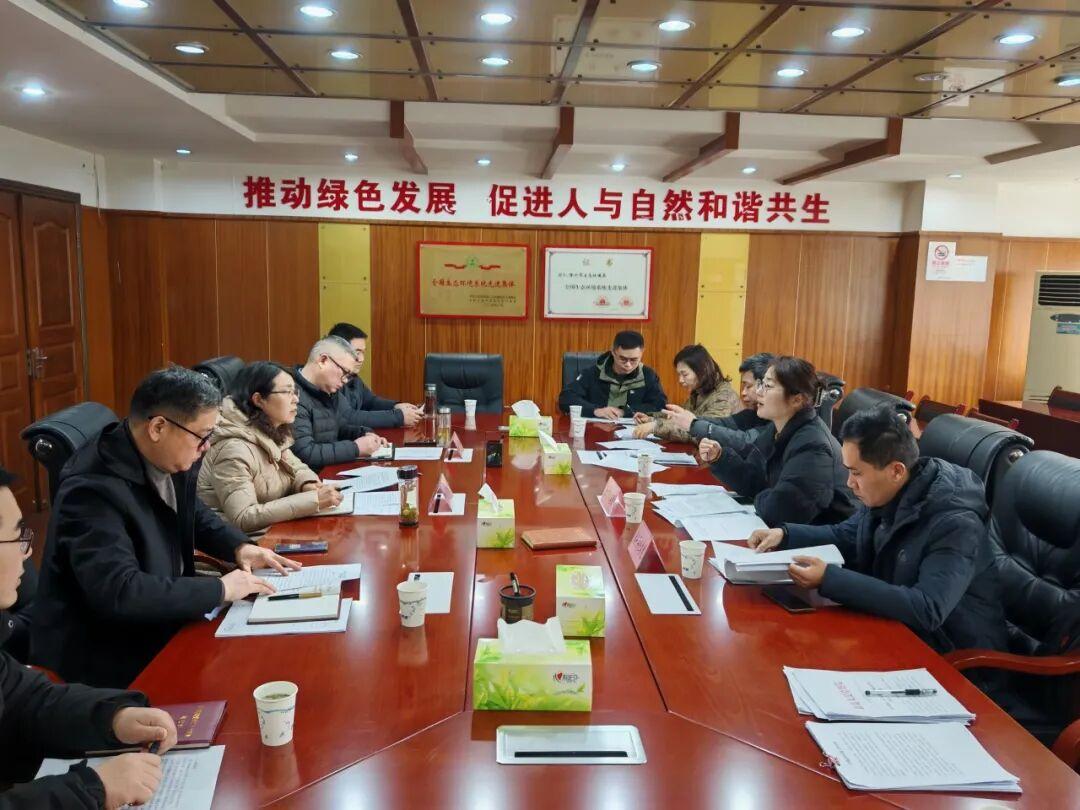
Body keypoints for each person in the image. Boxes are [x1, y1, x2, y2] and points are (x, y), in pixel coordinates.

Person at [32, 367, 296, 688]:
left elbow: (191, 512)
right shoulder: (91, 490)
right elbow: (120, 591)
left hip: (161, 622)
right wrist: (221, 590)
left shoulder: (167, 453)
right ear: (158, 427)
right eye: (203, 436)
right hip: (108, 659)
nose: (207, 447)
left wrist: (239, 547)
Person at [748, 404, 1007, 654]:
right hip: (893, 629)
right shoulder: (890, 493)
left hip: (949, 655)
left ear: (896, 471)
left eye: (857, 473)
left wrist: (829, 579)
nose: (850, 483)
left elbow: (927, 608)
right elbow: (845, 535)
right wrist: (785, 535)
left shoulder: (956, 523)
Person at [0, 466, 182, 809]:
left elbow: (26, 700)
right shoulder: (93, 485)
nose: (27, 553)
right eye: (16, 537)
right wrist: (92, 789)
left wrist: (113, 718)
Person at [700, 356, 855, 526]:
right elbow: (753, 479)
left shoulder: (813, 445)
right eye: (761, 384)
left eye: (768, 386)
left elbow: (784, 511)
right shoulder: (777, 428)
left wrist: (764, 494)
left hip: (821, 536)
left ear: (797, 399)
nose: (759, 392)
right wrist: (720, 457)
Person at [198, 362, 343, 535]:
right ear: (259, 400)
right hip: (243, 542)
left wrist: (308, 484)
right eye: (287, 392)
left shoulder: (271, 429)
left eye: (295, 391)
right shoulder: (233, 449)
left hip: (274, 531)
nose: (296, 399)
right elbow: (243, 517)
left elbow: (296, 467)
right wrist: (312, 500)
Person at [291, 336, 388, 472]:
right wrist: (356, 448)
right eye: (344, 373)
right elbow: (306, 453)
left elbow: (338, 429)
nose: (345, 381)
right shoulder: (291, 395)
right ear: (323, 360)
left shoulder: (328, 390)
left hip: (331, 470)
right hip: (311, 479)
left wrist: (365, 434)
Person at [662, 351, 773, 453]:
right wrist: (690, 419)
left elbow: (745, 441)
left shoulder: (776, 424)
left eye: (749, 386)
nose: (743, 393)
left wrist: (693, 424)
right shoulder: (752, 414)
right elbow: (723, 423)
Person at [632, 344, 737, 442]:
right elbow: (679, 419)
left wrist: (655, 426)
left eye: (685, 374)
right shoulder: (699, 392)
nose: (680, 380)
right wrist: (651, 419)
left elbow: (701, 431)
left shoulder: (723, 397)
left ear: (703, 370)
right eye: (679, 375)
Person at [327, 322, 423, 430]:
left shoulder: (352, 377)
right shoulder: (328, 380)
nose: (361, 359)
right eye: (357, 352)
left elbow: (370, 402)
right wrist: (399, 417)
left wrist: (395, 406)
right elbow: (348, 417)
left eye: (363, 352)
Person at [558, 331, 667, 419]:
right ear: (613, 352)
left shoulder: (648, 375)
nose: (628, 365)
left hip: (634, 433)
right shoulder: (594, 372)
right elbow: (566, 398)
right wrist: (595, 410)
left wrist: (625, 412)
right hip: (596, 430)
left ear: (642, 353)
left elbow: (660, 406)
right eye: (623, 359)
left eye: (634, 360)